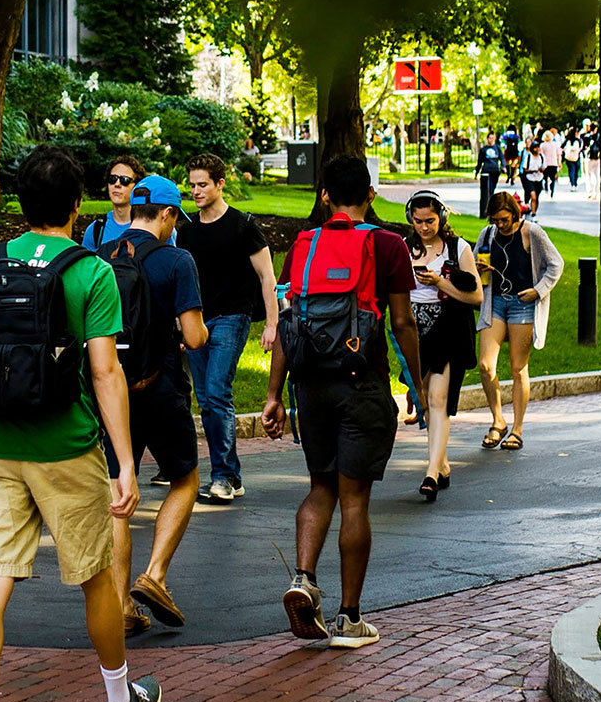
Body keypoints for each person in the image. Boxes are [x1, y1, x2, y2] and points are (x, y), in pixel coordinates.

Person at [0, 145, 160, 702]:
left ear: (20, 202)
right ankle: (119, 700)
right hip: (65, 446)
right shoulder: (91, 271)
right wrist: (124, 460)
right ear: (77, 205)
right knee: (97, 576)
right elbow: (104, 370)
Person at [265, 155, 421, 650]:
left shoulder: (303, 245)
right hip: (362, 385)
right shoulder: (388, 244)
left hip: (311, 387)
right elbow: (402, 323)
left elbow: (290, 327)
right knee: (355, 499)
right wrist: (418, 387)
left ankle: (303, 578)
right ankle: (350, 620)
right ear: (371, 195)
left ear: (326, 195)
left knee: (319, 487)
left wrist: (273, 395)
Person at [103, 175, 209, 639]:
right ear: (166, 214)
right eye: (175, 219)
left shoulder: (98, 256)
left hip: (110, 392)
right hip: (161, 387)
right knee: (185, 478)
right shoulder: (177, 260)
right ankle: (156, 574)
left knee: (117, 495)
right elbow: (193, 336)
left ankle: (122, 602)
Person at [177, 155, 277, 505]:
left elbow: (267, 277)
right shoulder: (187, 232)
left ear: (220, 184)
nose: (196, 191)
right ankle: (230, 474)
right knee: (205, 398)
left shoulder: (242, 225)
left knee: (217, 391)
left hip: (233, 316)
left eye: (202, 184)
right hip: (197, 321)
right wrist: (180, 327)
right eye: (192, 185)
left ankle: (221, 477)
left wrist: (273, 324)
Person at [403, 190, 483, 503]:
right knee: (423, 400)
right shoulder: (404, 247)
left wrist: (439, 283)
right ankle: (443, 463)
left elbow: (476, 297)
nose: (424, 227)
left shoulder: (458, 247)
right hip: (413, 329)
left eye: (431, 221)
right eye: (418, 221)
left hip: (448, 327)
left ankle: (431, 474)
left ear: (442, 218)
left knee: (438, 399)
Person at [473, 191, 565, 451]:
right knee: (486, 365)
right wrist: (479, 269)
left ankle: (517, 429)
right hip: (496, 302)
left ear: (514, 214)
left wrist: (539, 290)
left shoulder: (532, 232)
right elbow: (474, 261)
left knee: (517, 368)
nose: (499, 225)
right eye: (495, 220)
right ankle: (498, 420)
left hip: (522, 304)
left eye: (503, 220)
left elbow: (556, 264)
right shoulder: (487, 234)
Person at [85, 155, 172, 252]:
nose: (117, 184)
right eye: (113, 179)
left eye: (124, 180)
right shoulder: (96, 230)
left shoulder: (158, 226)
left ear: (137, 186)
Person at [476, 136, 503, 218]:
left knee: (492, 191)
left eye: (493, 138)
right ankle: (484, 212)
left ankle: (490, 210)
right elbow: (480, 162)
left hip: (495, 171)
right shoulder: (484, 149)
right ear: (487, 139)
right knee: (486, 192)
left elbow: (501, 158)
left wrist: (504, 166)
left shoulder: (497, 148)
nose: (491, 140)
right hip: (486, 171)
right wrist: (477, 172)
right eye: (490, 138)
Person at [520, 140, 546, 213]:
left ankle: (534, 211)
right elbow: (525, 169)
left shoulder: (541, 157)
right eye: (535, 148)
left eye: (538, 148)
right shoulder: (528, 157)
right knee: (533, 196)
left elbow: (545, 167)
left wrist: (541, 170)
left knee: (536, 198)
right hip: (530, 179)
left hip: (539, 178)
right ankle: (533, 213)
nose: (537, 149)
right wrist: (533, 170)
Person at [540, 129, 562, 198]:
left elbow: (541, 155)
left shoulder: (542, 145)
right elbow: (559, 154)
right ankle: (552, 190)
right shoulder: (556, 145)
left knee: (545, 177)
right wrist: (559, 162)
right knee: (552, 178)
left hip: (545, 164)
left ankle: (546, 189)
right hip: (553, 163)